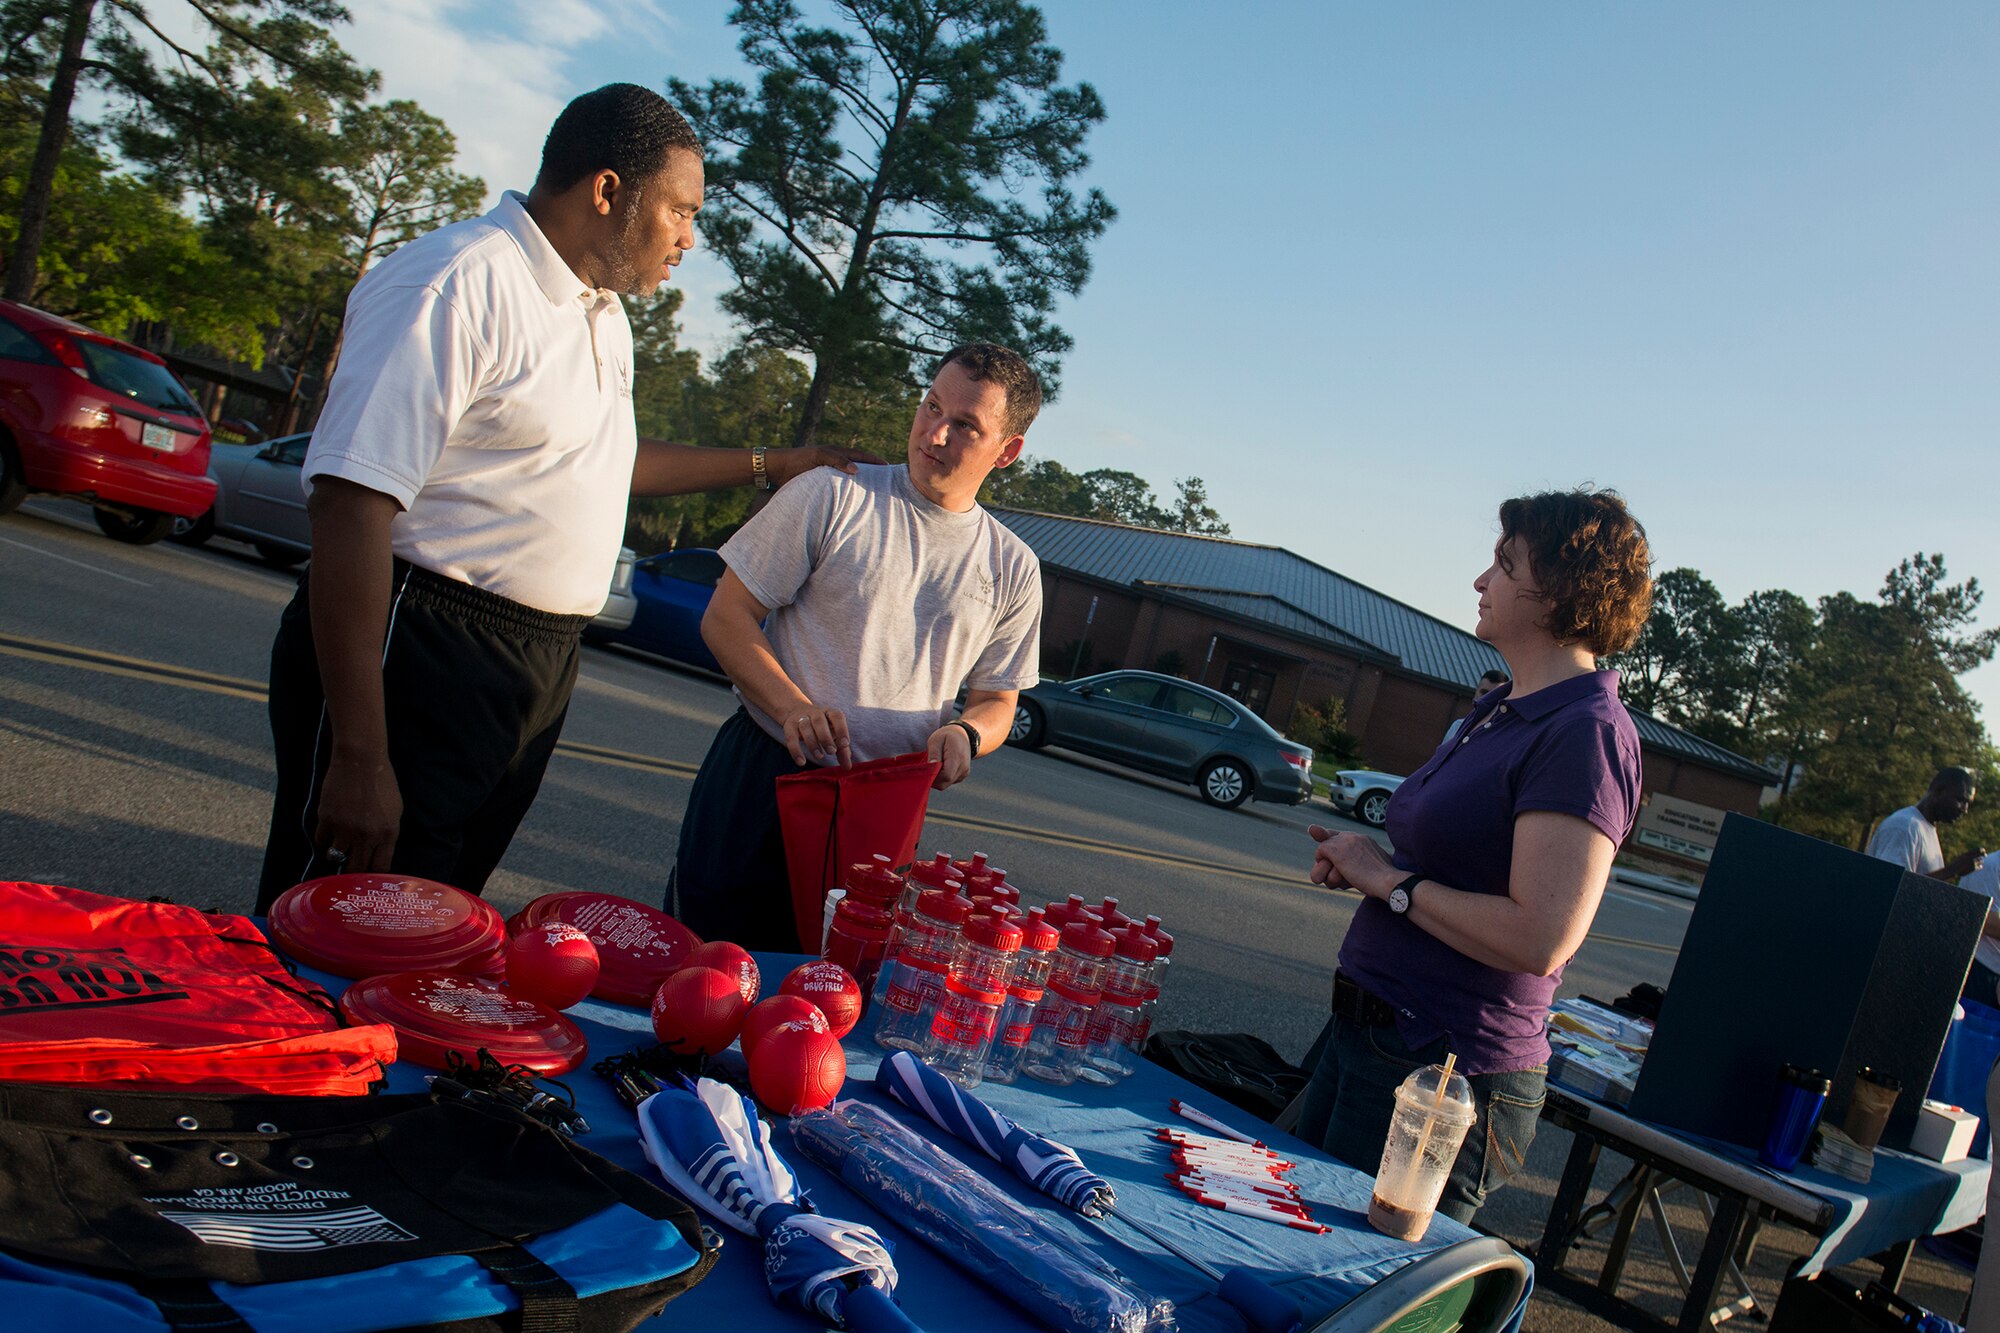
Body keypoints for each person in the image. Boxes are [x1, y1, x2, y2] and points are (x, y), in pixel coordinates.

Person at [255, 84, 869, 912]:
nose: (690, 238)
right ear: (609, 190)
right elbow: (350, 505)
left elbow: (606, 459)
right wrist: (361, 754)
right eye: (681, 211)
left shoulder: (601, 313)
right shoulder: (457, 283)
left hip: (531, 667)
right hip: (421, 649)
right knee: (337, 924)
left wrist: (773, 462)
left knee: (437, 923)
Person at [1294, 489, 1653, 1224]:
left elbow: (1541, 934)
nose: (1480, 581)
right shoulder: (1498, 709)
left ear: (1558, 591)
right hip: (1367, 1034)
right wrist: (1367, 865)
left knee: (1346, 1289)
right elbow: (1442, 862)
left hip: (1443, 1065)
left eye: (1504, 563)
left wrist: (1389, 881)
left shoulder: (1587, 732)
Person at [669, 343, 1045, 950]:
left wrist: (968, 734)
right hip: (766, 777)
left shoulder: (1012, 566)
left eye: (966, 426)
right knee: (703, 974)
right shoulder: (833, 495)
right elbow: (726, 616)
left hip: (883, 810)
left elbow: (998, 698)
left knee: (826, 996)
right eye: (931, 406)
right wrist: (794, 707)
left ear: (1007, 452)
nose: (935, 432)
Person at [1864, 767, 1985, 884]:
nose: (1965, 810)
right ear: (1938, 791)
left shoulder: (1925, 828)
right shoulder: (1904, 826)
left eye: (1968, 804)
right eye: (1960, 800)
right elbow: (1888, 885)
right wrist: (1953, 870)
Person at [1441, 668, 1510, 745]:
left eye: (1495, 695)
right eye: (1484, 693)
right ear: (1475, 694)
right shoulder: (1457, 727)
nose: (1488, 699)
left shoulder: (1505, 737)